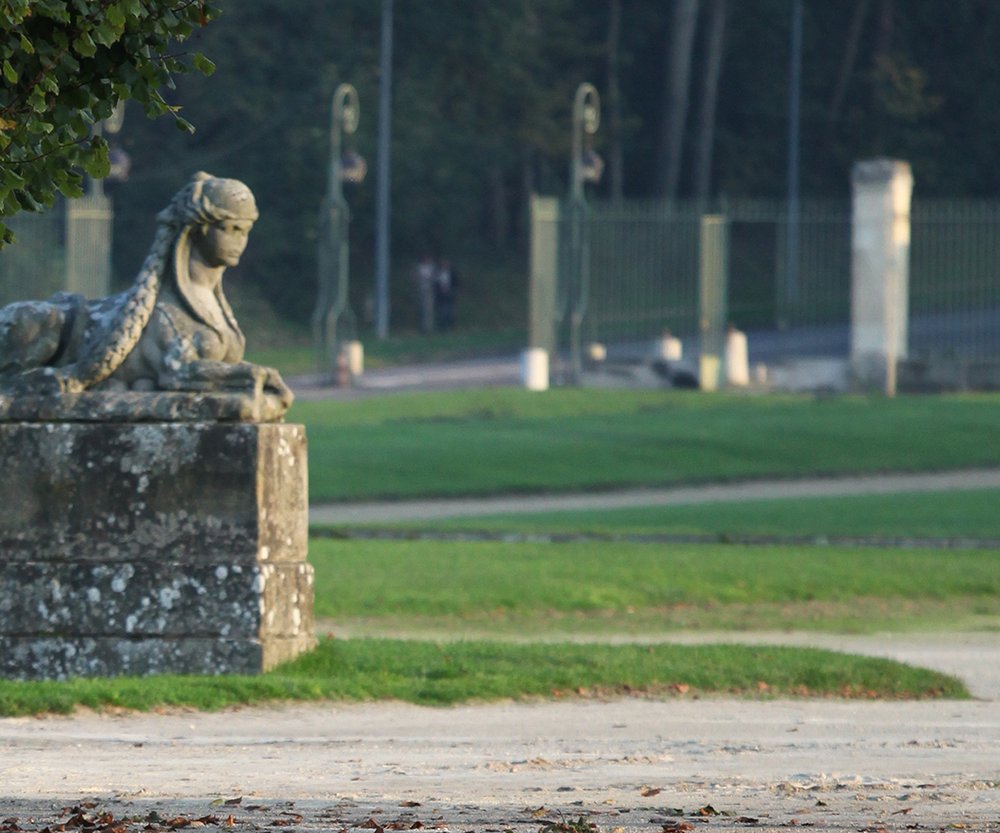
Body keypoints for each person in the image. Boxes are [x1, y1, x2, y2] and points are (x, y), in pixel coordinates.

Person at [0, 171, 292, 406]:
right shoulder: (166, 312)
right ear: (200, 228)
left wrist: (249, 375)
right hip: (65, 331)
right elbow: (177, 373)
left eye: (246, 231)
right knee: (39, 319)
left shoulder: (213, 307)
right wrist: (253, 374)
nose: (241, 240)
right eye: (232, 229)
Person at [434, 258, 458, 331]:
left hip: (450, 294)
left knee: (450, 311)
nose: (445, 265)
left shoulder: (452, 273)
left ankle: (450, 326)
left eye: (446, 264)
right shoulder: (438, 273)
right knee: (442, 311)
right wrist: (440, 289)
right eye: (443, 264)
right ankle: (443, 327)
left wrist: (451, 289)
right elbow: (435, 283)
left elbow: (457, 283)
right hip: (440, 295)